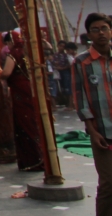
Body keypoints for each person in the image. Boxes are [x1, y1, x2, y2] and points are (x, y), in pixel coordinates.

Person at [74, 13, 112, 213]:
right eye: (96, 30)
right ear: (89, 34)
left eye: (105, 28)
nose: (101, 33)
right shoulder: (82, 62)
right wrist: (92, 130)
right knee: (108, 185)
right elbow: (80, 100)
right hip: (102, 133)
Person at [2, 33, 43, 171]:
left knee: (23, 124)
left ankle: (32, 160)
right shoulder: (28, 52)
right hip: (30, 87)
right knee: (33, 122)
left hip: (19, 89)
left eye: (7, 43)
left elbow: (6, 72)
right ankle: (41, 157)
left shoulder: (13, 53)